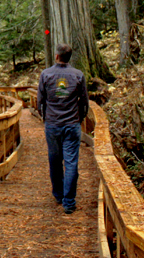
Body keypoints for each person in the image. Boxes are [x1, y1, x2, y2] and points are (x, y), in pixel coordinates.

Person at [38, 43, 88, 214]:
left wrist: (45, 118)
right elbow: (84, 103)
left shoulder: (46, 74)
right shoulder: (78, 75)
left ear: (57, 56)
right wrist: (79, 119)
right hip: (72, 124)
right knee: (71, 162)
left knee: (54, 161)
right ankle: (69, 202)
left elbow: (40, 101)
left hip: (53, 125)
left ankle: (59, 195)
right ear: (69, 57)